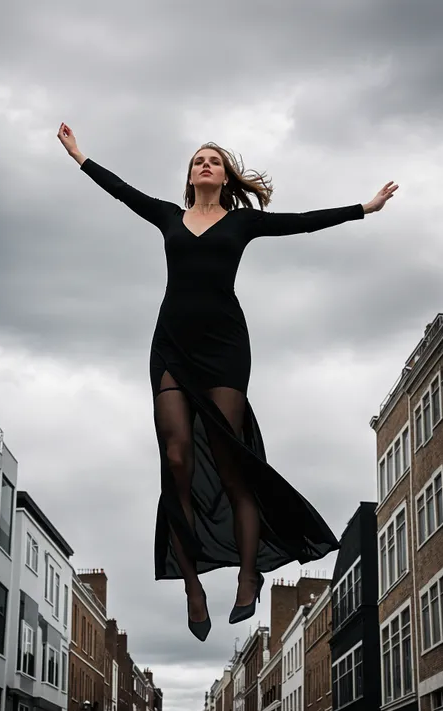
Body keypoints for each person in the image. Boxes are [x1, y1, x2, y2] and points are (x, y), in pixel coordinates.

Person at [57, 123, 398, 641]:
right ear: (190, 177)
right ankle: (192, 585)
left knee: (230, 462)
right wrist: (81, 157)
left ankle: (247, 573)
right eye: (198, 160)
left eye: (214, 160)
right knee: (175, 461)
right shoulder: (168, 215)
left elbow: (301, 223)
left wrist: (363, 209)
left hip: (225, 350)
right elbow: (122, 192)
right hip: (171, 344)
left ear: (225, 175)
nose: (206, 165)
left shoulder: (241, 224)